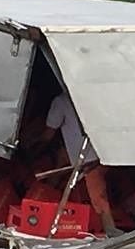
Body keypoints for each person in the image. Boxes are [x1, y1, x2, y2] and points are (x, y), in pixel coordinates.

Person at [44, 91, 123, 237]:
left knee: (98, 196)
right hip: (104, 152)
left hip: (87, 157)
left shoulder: (61, 102)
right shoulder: (91, 97)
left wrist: (36, 143)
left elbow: (49, 132)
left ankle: (110, 229)